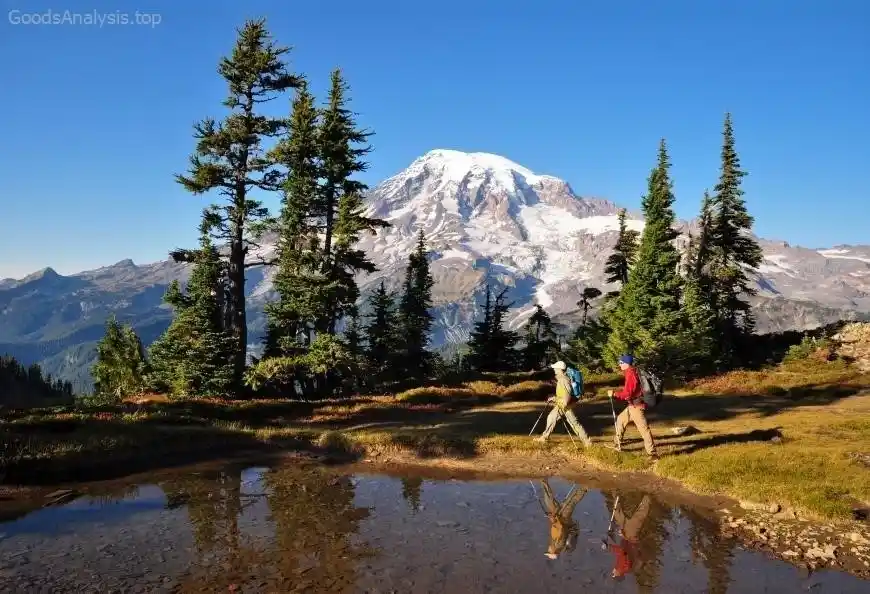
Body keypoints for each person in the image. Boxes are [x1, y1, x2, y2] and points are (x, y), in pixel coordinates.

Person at [607, 354, 658, 459]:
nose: (619, 364)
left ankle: (653, 454)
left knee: (644, 429)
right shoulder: (630, 372)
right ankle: (617, 444)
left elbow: (627, 393)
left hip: (637, 406)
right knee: (620, 420)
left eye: (621, 362)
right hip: (632, 405)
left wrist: (614, 394)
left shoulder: (631, 374)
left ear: (626, 363)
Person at [534, 361, 592, 446]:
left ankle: (588, 443)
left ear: (560, 369)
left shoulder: (563, 380)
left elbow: (566, 399)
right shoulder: (562, 378)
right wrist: (555, 398)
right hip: (563, 404)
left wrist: (555, 399)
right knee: (552, 417)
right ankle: (544, 437)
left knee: (573, 423)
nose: (554, 369)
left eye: (555, 368)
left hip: (565, 405)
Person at [602, 494, 652, 581]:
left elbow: (624, 551)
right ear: (618, 574)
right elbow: (621, 552)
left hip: (627, 537)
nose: (612, 572)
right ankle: (649, 495)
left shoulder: (623, 568)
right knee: (639, 516)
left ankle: (616, 494)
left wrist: (622, 536)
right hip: (631, 536)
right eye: (613, 574)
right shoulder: (623, 567)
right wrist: (608, 547)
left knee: (618, 516)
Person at [539, 479, 586, 559]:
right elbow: (562, 529)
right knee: (571, 501)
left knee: (549, 502)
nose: (548, 549)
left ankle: (543, 481)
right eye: (549, 551)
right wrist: (553, 520)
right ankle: (586, 487)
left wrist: (552, 518)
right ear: (554, 551)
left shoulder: (554, 544)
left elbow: (555, 528)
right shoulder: (559, 544)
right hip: (564, 519)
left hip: (558, 518)